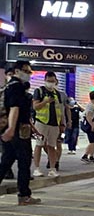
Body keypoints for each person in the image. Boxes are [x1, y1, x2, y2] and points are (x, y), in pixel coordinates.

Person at [0, 60, 40, 205]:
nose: (29, 74)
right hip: (18, 130)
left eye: (30, 72)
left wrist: (32, 127)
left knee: (7, 160)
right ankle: (24, 195)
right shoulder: (17, 87)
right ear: (17, 71)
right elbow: (14, 108)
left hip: (12, 128)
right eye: (26, 71)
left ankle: (24, 194)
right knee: (24, 161)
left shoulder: (8, 86)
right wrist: (11, 129)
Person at [32, 71, 62, 177]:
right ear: (45, 80)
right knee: (39, 145)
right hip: (41, 122)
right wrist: (46, 101)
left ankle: (52, 169)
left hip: (54, 124)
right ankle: (37, 168)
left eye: (52, 81)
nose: (51, 83)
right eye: (49, 81)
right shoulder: (39, 91)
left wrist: (62, 123)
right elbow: (35, 107)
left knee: (52, 146)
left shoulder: (57, 93)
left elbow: (60, 109)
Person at [80, 91, 94, 164]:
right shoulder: (91, 105)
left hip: (92, 125)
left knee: (93, 142)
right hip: (91, 126)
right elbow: (88, 116)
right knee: (92, 142)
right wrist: (92, 126)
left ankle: (91, 156)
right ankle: (85, 156)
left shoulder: (92, 105)